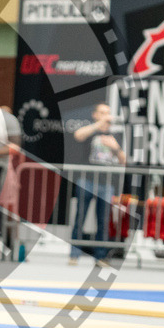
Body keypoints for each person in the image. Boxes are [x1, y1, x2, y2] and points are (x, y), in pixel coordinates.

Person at [71, 102, 125, 262]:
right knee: (79, 218)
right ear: (95, 114)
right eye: (102, 112)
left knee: (103, 221)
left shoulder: (115, 135)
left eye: (107, 113)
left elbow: (124, 160)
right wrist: (98, 125)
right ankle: (74, 255)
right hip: (86, 180)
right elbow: (78, 135)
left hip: (106, 184)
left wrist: (115, 147)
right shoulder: (90, 131)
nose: (106, 116)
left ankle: (101, 257)